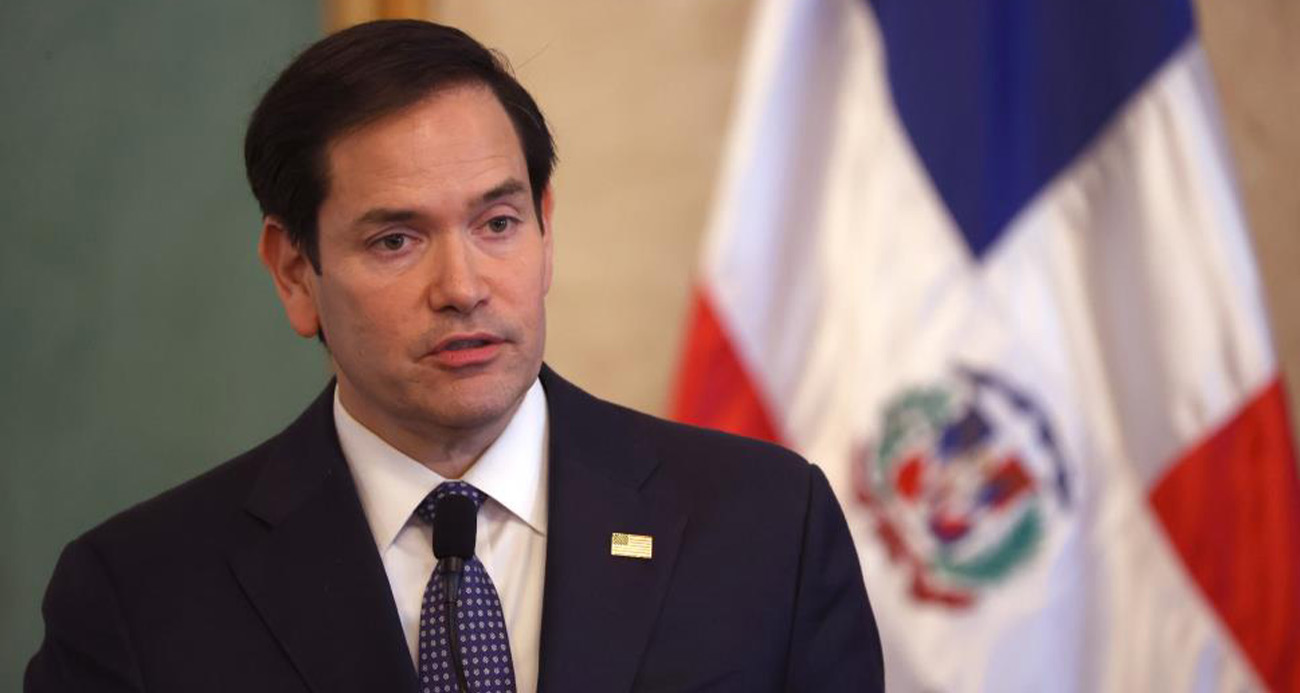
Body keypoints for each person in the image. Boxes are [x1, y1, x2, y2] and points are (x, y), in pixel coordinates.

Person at [26, 19, 883, 693]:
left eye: (497, 223)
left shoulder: (768, 526)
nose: (463, 286)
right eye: (396, 240)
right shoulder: (138, 593)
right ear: (294, 271)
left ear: (546, 228)